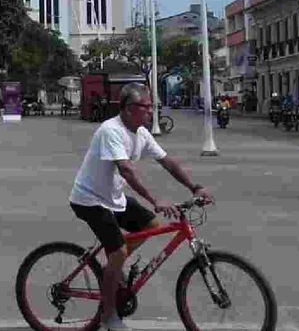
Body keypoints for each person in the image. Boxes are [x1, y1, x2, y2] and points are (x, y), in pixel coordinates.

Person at [69, 83, 212, 331]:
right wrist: (155, 200)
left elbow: (167, 162)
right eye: (145, 106)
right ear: (127, 108)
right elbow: (126, 170)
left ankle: (111, 270)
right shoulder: (111, 130)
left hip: (113, 198)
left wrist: (194, 187)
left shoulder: (141, 133)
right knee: (119, 252)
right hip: (89, 200)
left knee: (151, 225)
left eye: (151, 106)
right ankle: (108, 315)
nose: (150, 111)